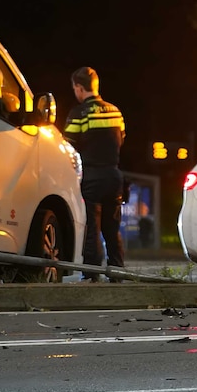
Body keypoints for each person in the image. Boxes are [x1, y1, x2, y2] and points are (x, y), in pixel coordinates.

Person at [63, 66, 126, 281]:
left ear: (80, 88)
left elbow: (68, 147)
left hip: (91, 177)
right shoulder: (115, 111)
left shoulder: (78, 114)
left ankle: (91, 274)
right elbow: (121, 139)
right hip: (114, 175)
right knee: (112, 228)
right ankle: (117, 272)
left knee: (92, 228)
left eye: (75, 89)